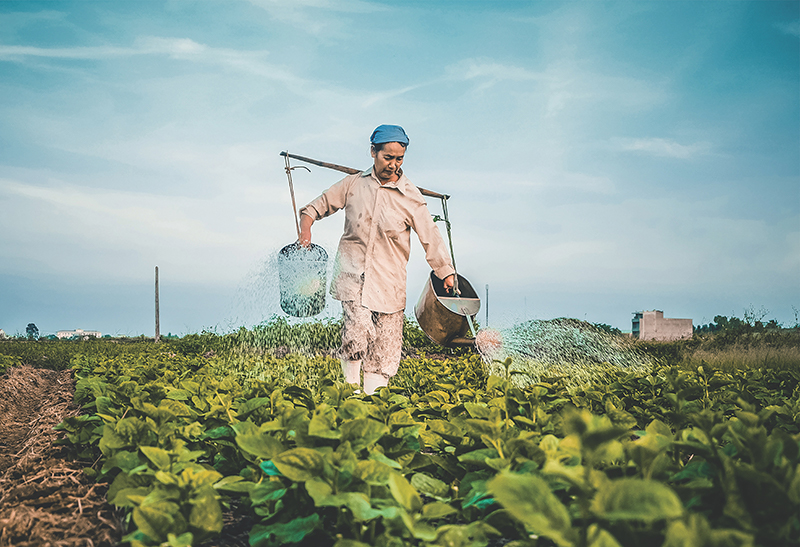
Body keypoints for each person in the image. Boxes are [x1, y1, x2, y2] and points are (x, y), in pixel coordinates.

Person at [298, 124, 456, 394]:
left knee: (385, 345)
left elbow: (431, 236)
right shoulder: (353, 185)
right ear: (373, 152)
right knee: (357, 330)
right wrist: (305, 229)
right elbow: (315, 207)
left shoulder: (410, 197)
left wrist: (445, 271)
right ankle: (349, 393)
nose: (393, 165)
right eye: (388, 157)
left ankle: (373, 401)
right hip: (352, 273)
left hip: (389, 280)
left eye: (399, 159)